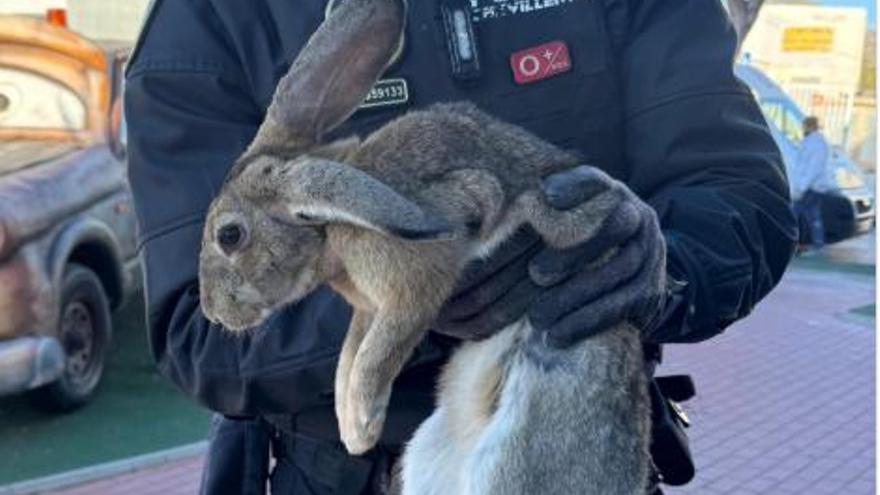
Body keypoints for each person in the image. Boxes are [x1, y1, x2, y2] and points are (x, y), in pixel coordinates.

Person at [124, 0, 798, 493]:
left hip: (580, 443)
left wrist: (661, 268)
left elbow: (737, 190)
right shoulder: (210, 17)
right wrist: (413, 294)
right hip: (342, 473)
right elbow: (199, 327)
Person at [792, 116, 832, 255]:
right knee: (813, 216)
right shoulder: (813, 141)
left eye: (804, 125)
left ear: (810, 126)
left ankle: (792, 244)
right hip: (812, 186)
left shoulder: (816, 143)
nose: (802, 128)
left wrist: (801, 187)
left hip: (811, 187)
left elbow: (813, 168)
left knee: (793, 213)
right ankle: (818, 245)